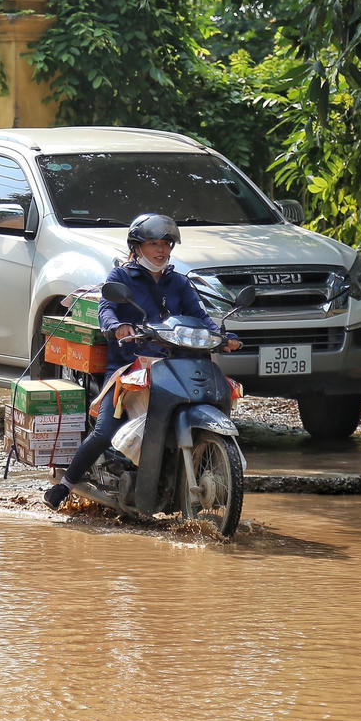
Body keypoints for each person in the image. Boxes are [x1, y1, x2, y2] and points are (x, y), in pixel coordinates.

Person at [43, 213, 242, 510]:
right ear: (136, 247)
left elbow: (201, 317)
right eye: (153, 244)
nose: (161, 250)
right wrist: (117, 326)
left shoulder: (179, 282)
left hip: (174, 366)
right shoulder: (121, 278)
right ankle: (66, 484)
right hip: (129, 366)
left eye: (166, 244)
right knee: (105, 430)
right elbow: (106, 309)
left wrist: (222, 337)